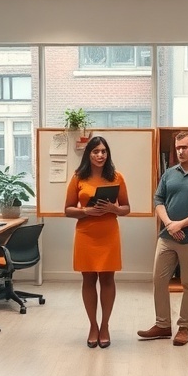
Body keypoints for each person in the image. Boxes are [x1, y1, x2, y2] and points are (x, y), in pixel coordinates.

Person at [138, 131, 188, 346]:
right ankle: (163, 325)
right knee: (159, 280)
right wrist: (168, 224)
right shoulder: (169, 173)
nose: (180, 151)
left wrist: (180, 224)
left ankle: (184, 327)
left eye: (185, 147)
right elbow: (158, 199)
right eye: (178, 148)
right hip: (166, 236)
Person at [64, 136, 130, 349]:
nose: (100, 155)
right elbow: (67, 209)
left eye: (103, 151)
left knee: (108, 279)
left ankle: (105, 326)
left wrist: (114, 209)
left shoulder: (117, 176)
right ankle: (93, 325)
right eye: (95, 152)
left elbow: (127, 208)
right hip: (86, 233)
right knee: (89, 279)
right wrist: (86, 211)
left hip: (109, 233)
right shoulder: (78, 177)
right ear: (88, 154)